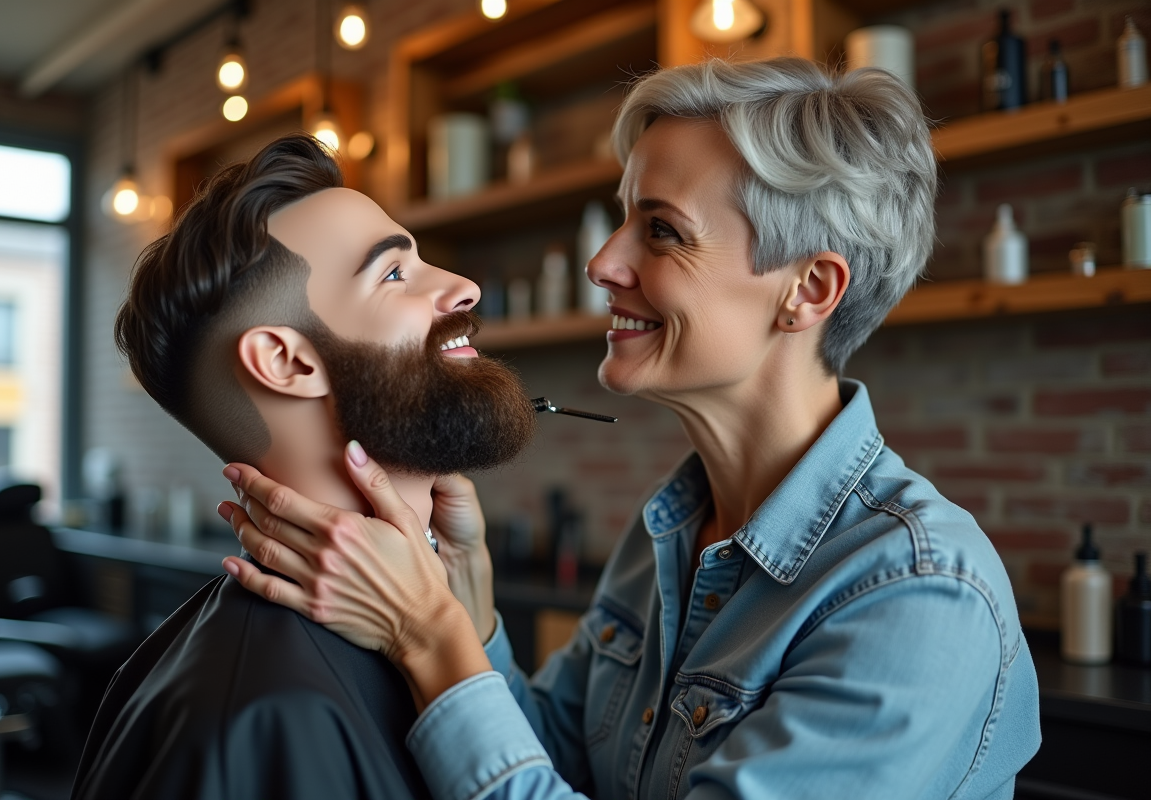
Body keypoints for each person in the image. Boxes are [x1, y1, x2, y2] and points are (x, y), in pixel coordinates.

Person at [220, 59, 1042, 800]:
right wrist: (467, 618)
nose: (603, 262)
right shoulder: (671, 537)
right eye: (622, 218)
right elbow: (556, 763)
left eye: (660, 230)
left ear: (809, 290)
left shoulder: (918, 597)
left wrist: (427, 638)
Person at [71, 134, 537, 800]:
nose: (466, 288)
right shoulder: (260, 716)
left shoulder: (432, 636)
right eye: (395, 273)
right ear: (288, 363)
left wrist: (454, 615)